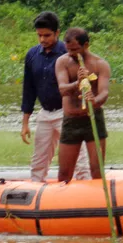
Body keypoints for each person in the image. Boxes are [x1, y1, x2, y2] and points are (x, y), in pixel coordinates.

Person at [21, 11, 90, 182]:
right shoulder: (32, 55)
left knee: (79, 158)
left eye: (47, 35)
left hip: (66, 111)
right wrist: (25, 123)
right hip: (45, 113)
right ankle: (37, 191)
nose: (43, 39)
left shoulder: (68, 54)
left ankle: (87, 191)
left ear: (57, 33)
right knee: (39, 159)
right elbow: (28, 90)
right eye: (39, 35)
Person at [55, 28, 111, 183]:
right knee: (64, 172)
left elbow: (104, 93)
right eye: (68, 49)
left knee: (96, 169)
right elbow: (62, 89)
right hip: (71, 120)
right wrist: (77, 83)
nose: (72, 53)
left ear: (86, 45)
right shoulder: (63, 62)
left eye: (75, 49)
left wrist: (95, 101)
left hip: (93, 118)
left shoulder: (100, 64)